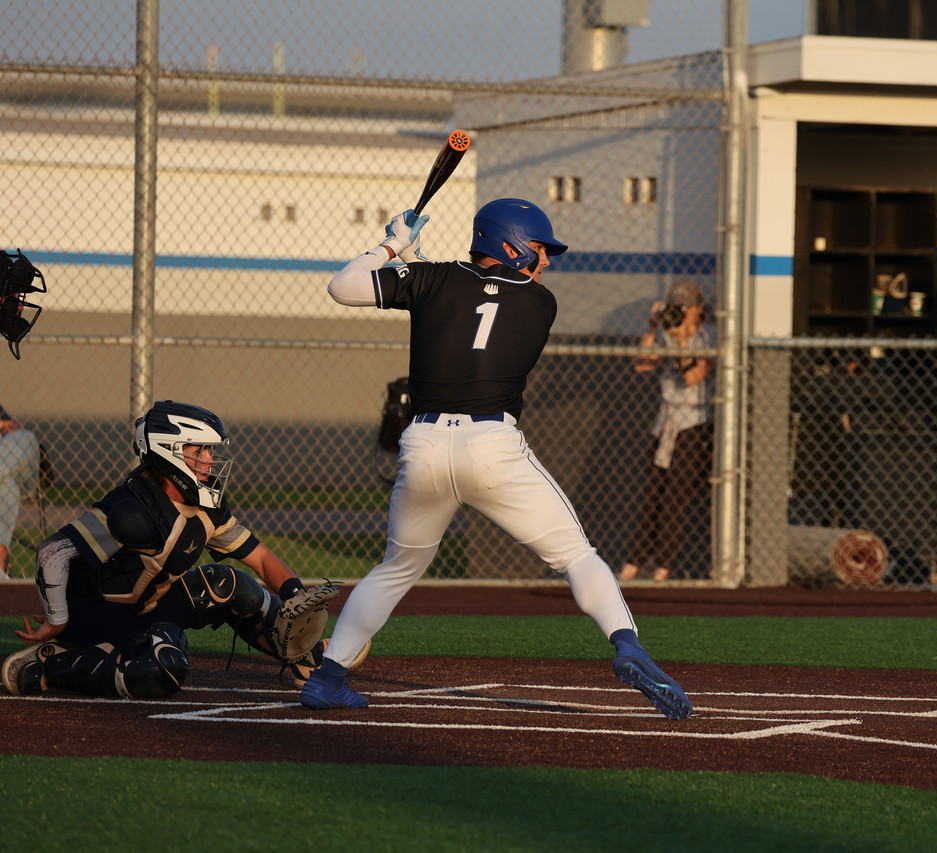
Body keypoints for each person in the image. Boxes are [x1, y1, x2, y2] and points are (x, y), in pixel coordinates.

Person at [304, 199, 692, 719]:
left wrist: (395, 245)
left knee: (396, 568)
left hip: (422, 447)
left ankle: (328, 679)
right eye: (538, 249)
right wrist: (416, 261)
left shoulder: (434, 281)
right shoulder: (540, 303)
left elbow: (346, 287)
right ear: (507, 246)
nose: (546, 261)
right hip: (492, 447)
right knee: (576, 555)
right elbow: (473, 300)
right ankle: (629, 647)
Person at [1, 400, 353, 698]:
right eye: (198, 450)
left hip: (148, 605)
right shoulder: (133, 509)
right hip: (96, 614)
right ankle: (49, 666)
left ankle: (308, 657)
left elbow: (259, 557)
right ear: (169, 455)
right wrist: (57, 620)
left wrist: (294, 594)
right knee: (162, 667)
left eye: (209, 450)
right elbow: (52, 552)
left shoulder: (205, 506)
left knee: (232, 585)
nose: (209, 460)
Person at [618, 281, 714, 583]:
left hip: (694, 424)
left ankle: (663, 570)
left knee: (675, 500)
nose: (680, 314)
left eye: (685, 308)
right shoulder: (664, 331)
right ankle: (631, 566)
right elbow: (642, 365)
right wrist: (653, 326)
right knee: (653, 497)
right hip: (665, 422)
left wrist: (681, 342)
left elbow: (694, 377)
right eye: (676, 307)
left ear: (697, 309)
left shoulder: (706, 336)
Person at [0, 404, 42, 579]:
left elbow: (10, 427)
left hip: (16, 461)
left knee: (21, 438)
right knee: (5, 481)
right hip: (8, 481)